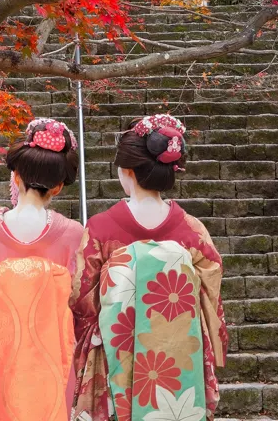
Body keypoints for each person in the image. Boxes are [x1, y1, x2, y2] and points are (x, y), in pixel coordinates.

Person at [72, 114, 228, 421]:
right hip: (178, 356)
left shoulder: (101, 228)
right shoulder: (192, 231)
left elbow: (82, 299)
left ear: (126, 171)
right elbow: (210, 296)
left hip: (115, 356)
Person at [0, 117, 85, 421]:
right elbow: (80, 298)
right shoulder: (73, 234)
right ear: (57, 187)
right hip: (52, 354)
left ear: (15, 177)